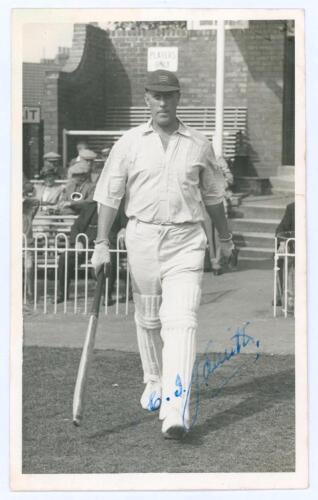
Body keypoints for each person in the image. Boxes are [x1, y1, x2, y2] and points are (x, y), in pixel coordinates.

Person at [91, 69, 234, 439]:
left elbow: (215, 197)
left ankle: (176, 409)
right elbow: (109, 195)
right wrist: (101, 243)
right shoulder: (129, 142)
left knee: (181, 321)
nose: (163, 102)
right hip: (141, 238)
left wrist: (227, 238)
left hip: (186, 240)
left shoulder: (199, 143)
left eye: (169, 95)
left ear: (179, 98)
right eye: (156, 95)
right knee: (150, 320)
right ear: (147, 99)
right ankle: (153, 379)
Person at [56, 200, 128, 304]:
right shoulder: (90, 206)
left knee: (111, 258)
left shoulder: (118, 206)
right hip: (86, 245)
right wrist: (78, 241)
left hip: (107, 244)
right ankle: (62, 294)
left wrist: (124, 229)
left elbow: (125, 223)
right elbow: (76, 227)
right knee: (65, 258)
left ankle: (107, 295)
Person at [274, 201, 295, 312]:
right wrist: (282, 243)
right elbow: (281, 229)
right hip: (296, 248)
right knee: (284, 258)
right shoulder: (293, 208)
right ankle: (288, 298)